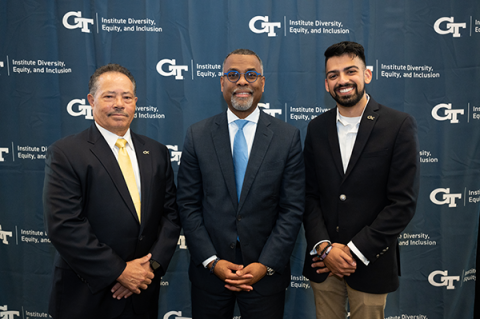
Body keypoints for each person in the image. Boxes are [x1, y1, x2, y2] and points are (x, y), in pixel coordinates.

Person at [43, 64, 181, 319]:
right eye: (109, 96)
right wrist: (119, 271)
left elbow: (171, 216)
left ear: (135, 102)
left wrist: (146, 269)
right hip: (86, 296)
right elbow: (64, 225)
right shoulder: (66, 153)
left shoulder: (157, 152)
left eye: (127, 97)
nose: (119, 103)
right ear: (91, 101)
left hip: (141, 293)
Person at [177, 49, 305, 319]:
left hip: (264, 276)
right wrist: (213, 261)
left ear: (262, 82)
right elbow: (187, 205)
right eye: (233, 75)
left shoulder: (287, 137)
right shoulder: (197, 135)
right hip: (210, 276)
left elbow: (292, 208)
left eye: (251, 75)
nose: (242, 82)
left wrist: (265, 264)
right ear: (222, 82)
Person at [302, 41, 420, 319]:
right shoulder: (316, 128)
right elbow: (308, 195)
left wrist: (353, 251)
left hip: (371, 263)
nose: (342, 80)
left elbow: (402, 203)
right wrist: (325, 247)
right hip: (324, 265)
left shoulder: (398, 125)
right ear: (327, 84)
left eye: (350, 71)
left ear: (367, 74)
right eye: (333, 75)